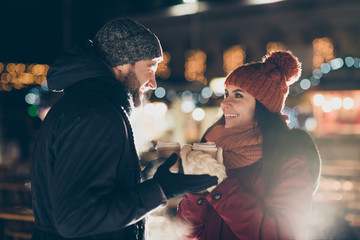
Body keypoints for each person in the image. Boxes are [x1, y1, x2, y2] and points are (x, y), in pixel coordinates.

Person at [30, 18, 217, 240]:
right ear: (121, 63)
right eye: (150, 68)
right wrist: (160, 190)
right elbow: (76, 218)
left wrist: (143, 181)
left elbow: (94, 196)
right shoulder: (96, 115)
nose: (153, 82)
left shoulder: (88, 106)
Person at [176, 51, 322, 240]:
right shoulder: (213, 144)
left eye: (238, 95)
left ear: (263, 104)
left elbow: (279, 235)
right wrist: (196, 186)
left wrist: (220, 186)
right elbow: (184, 232)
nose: (224, 103)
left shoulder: (289, 154)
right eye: (226, 93)